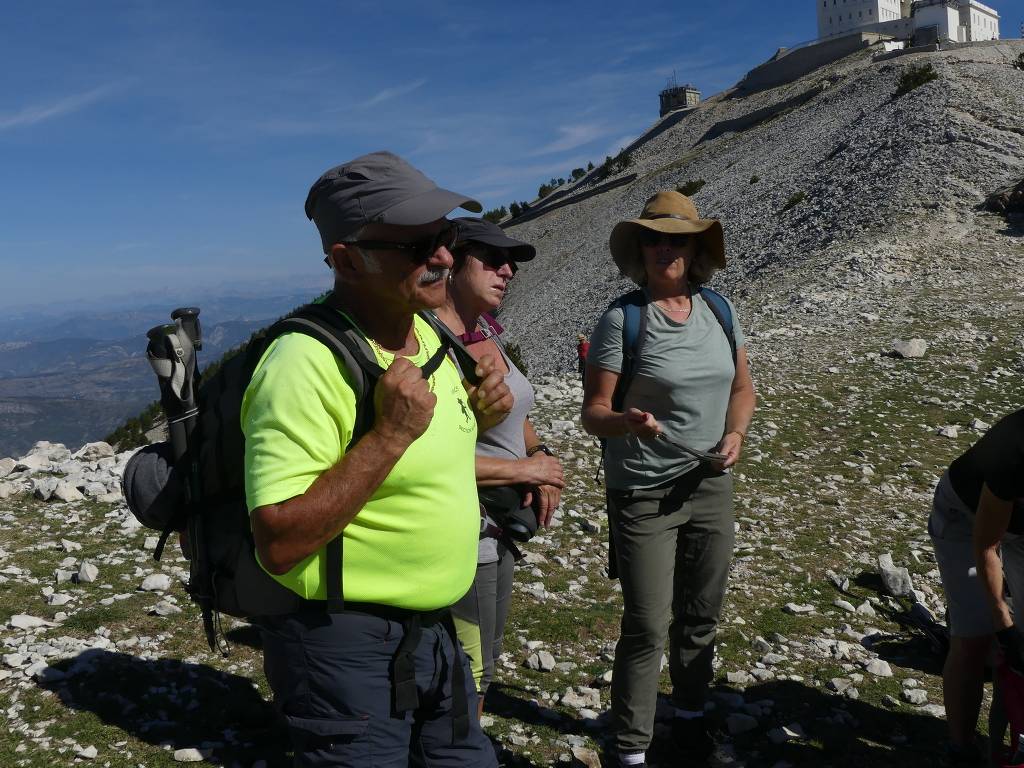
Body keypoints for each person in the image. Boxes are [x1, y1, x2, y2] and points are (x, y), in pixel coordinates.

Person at [242, 151, 513, 768]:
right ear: (345, 259)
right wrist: (388, 436)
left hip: (434, 631)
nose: (442, 257)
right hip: (342, 647)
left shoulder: (432, 336)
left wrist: (481, 420)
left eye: (444, 236)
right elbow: (279, 541)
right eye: (416, 245)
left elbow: (423, 468)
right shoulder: (302, 361)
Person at [581, 190, 756, 768]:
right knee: (647, 623)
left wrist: (734, 437)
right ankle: (630, 749)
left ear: (695, 248)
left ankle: (689, 718)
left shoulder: (720, 311)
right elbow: (593, 413)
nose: (664, 248)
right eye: (653, 238)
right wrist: (625, 422)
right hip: (644, 491)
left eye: (676, 238)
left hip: (710, 483)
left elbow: (741, 389)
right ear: (640, 249)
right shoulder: (622, 319)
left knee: (701, 613)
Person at [434, 218, 565, 715]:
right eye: (491, 259)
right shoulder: (431, 345)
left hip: (503, 520)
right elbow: (423, 460)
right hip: (467, 526)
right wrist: (525, 474)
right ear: (450, 261)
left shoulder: (484, 329)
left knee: (486, 655)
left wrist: (540, 453)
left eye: (510, 262)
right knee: (470, 664)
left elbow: (517, 415)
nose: (507, 270)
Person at [929, 408, 1024, 766]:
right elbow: (985, 545)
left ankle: (1007, 745)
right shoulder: (1016, 448)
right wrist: (1003, 620)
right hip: (965, 517)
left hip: (1017, 523)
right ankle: (961, 749)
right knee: (975, 636)